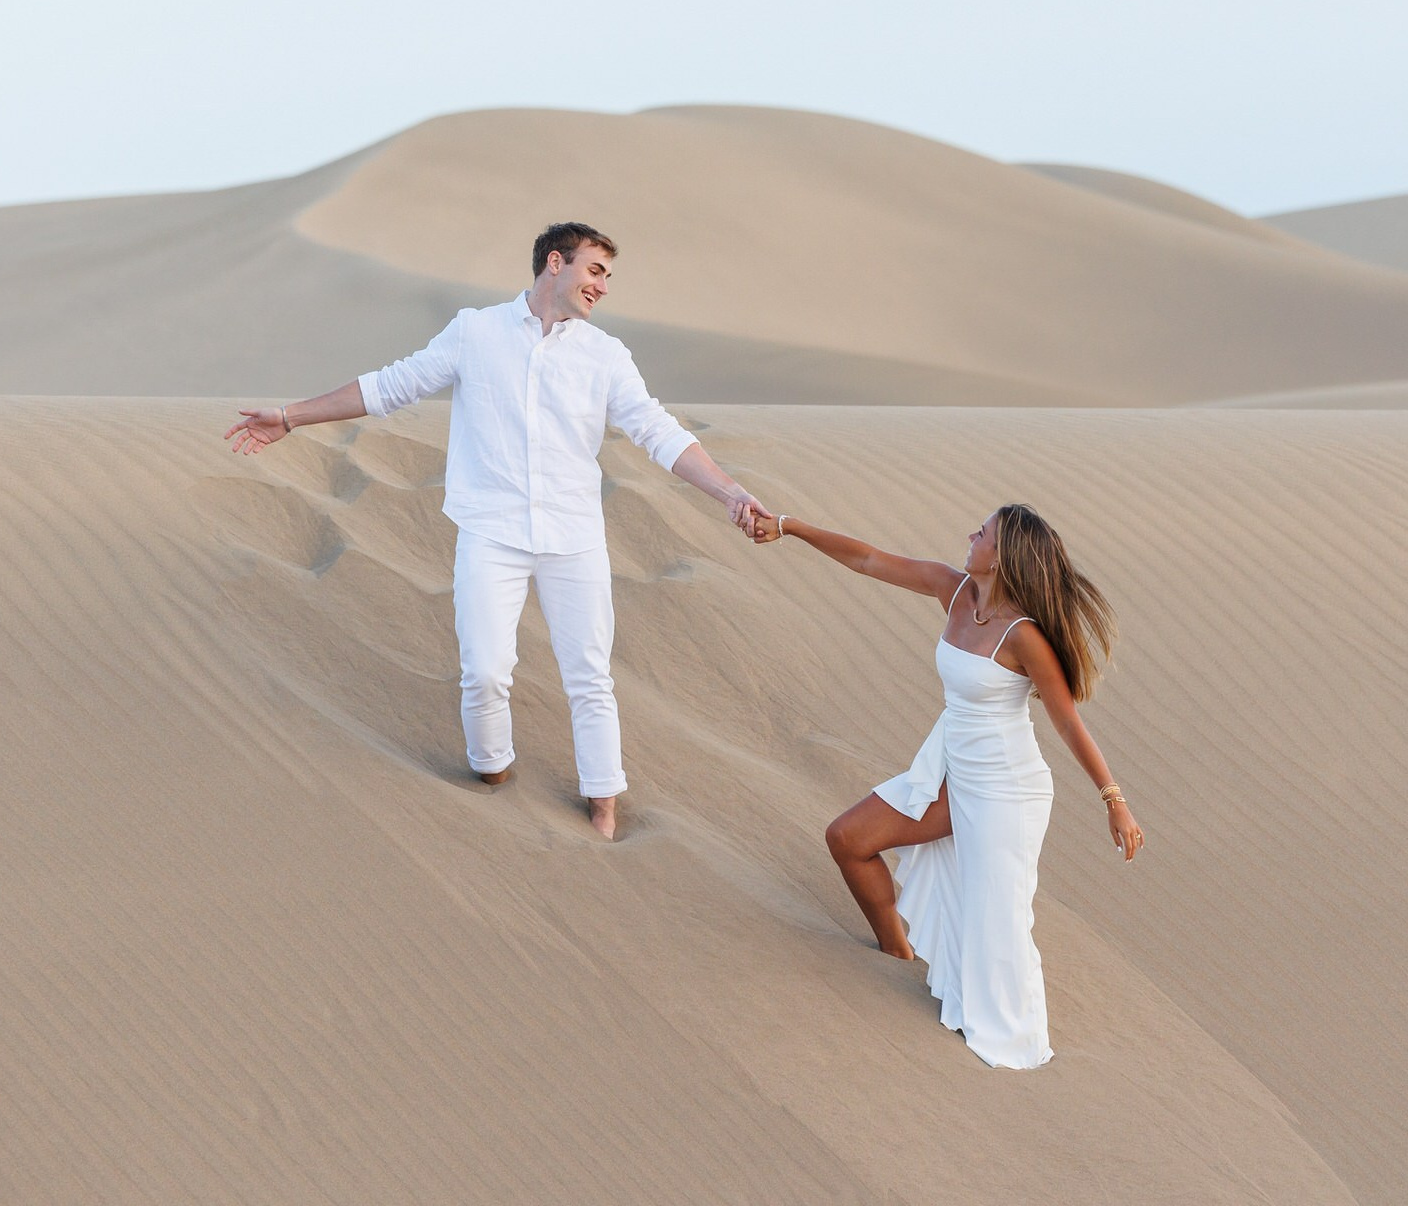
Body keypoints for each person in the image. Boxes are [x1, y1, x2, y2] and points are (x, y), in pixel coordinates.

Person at [224, 222, 764, 840]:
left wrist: (729, 491)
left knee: (589, 674)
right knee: (483, 670)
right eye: (595, 271)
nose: (603, 287)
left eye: (608, 276)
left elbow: (658, 432)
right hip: (491, 530)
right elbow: (390, 386)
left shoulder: (606, 356)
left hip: (574, 535)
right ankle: (492, 774)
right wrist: (291, 416)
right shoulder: (475, 332)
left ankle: (605, 806)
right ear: (554, 264)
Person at [751, 502, 1143, 1068]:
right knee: (849, 839)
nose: (972, 535)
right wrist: (790, 526)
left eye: (982, 532)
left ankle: (1017, 1035)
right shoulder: (952, 590)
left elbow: (1065, 721)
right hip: (951, 770)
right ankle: (897, 952)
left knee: (998, 917)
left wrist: (1114, 800)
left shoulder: (1024, 635)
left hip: (1006, 789)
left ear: (1003, 556)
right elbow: (865, 559)